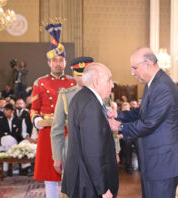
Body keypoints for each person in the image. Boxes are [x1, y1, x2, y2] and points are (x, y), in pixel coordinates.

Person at [108, 47, 178, 198]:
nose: (132, 73)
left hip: (163, 162)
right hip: (154, 161)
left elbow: (149, 123)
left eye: (134, 68)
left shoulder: (162, 86)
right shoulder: (153, 84)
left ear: (148, 63)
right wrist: (118, 114)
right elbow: (142, 113)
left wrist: (120, 127)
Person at [30, 23, 76, 198]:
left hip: (69, 130)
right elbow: (33, 110)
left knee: (70, 169)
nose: (58, 63)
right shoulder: (39, 82)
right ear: (48, 62)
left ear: (65, 62)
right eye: (54, 60)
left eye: (61, 60)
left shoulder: (73, 82)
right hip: (48, 131)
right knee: (49, 173)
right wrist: (37, 121)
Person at [62, 63, 119, 198]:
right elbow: (93, 152)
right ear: (95, 81)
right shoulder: (91, 105)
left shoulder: (81, 97)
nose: (112, 85)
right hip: (89, 184)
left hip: (84, 179)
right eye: (109, 80)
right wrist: (103, 188)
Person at [51, 56, 94, 174]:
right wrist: (57, 157)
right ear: (74, 75)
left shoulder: (103, 94)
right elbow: (57, 129)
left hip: (97, 149)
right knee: (72, 187)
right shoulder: (65, 96)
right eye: (79, 74)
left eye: (86, 74)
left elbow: (110, 126)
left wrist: (115, 150)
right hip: (73, 148)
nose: (83, 78)